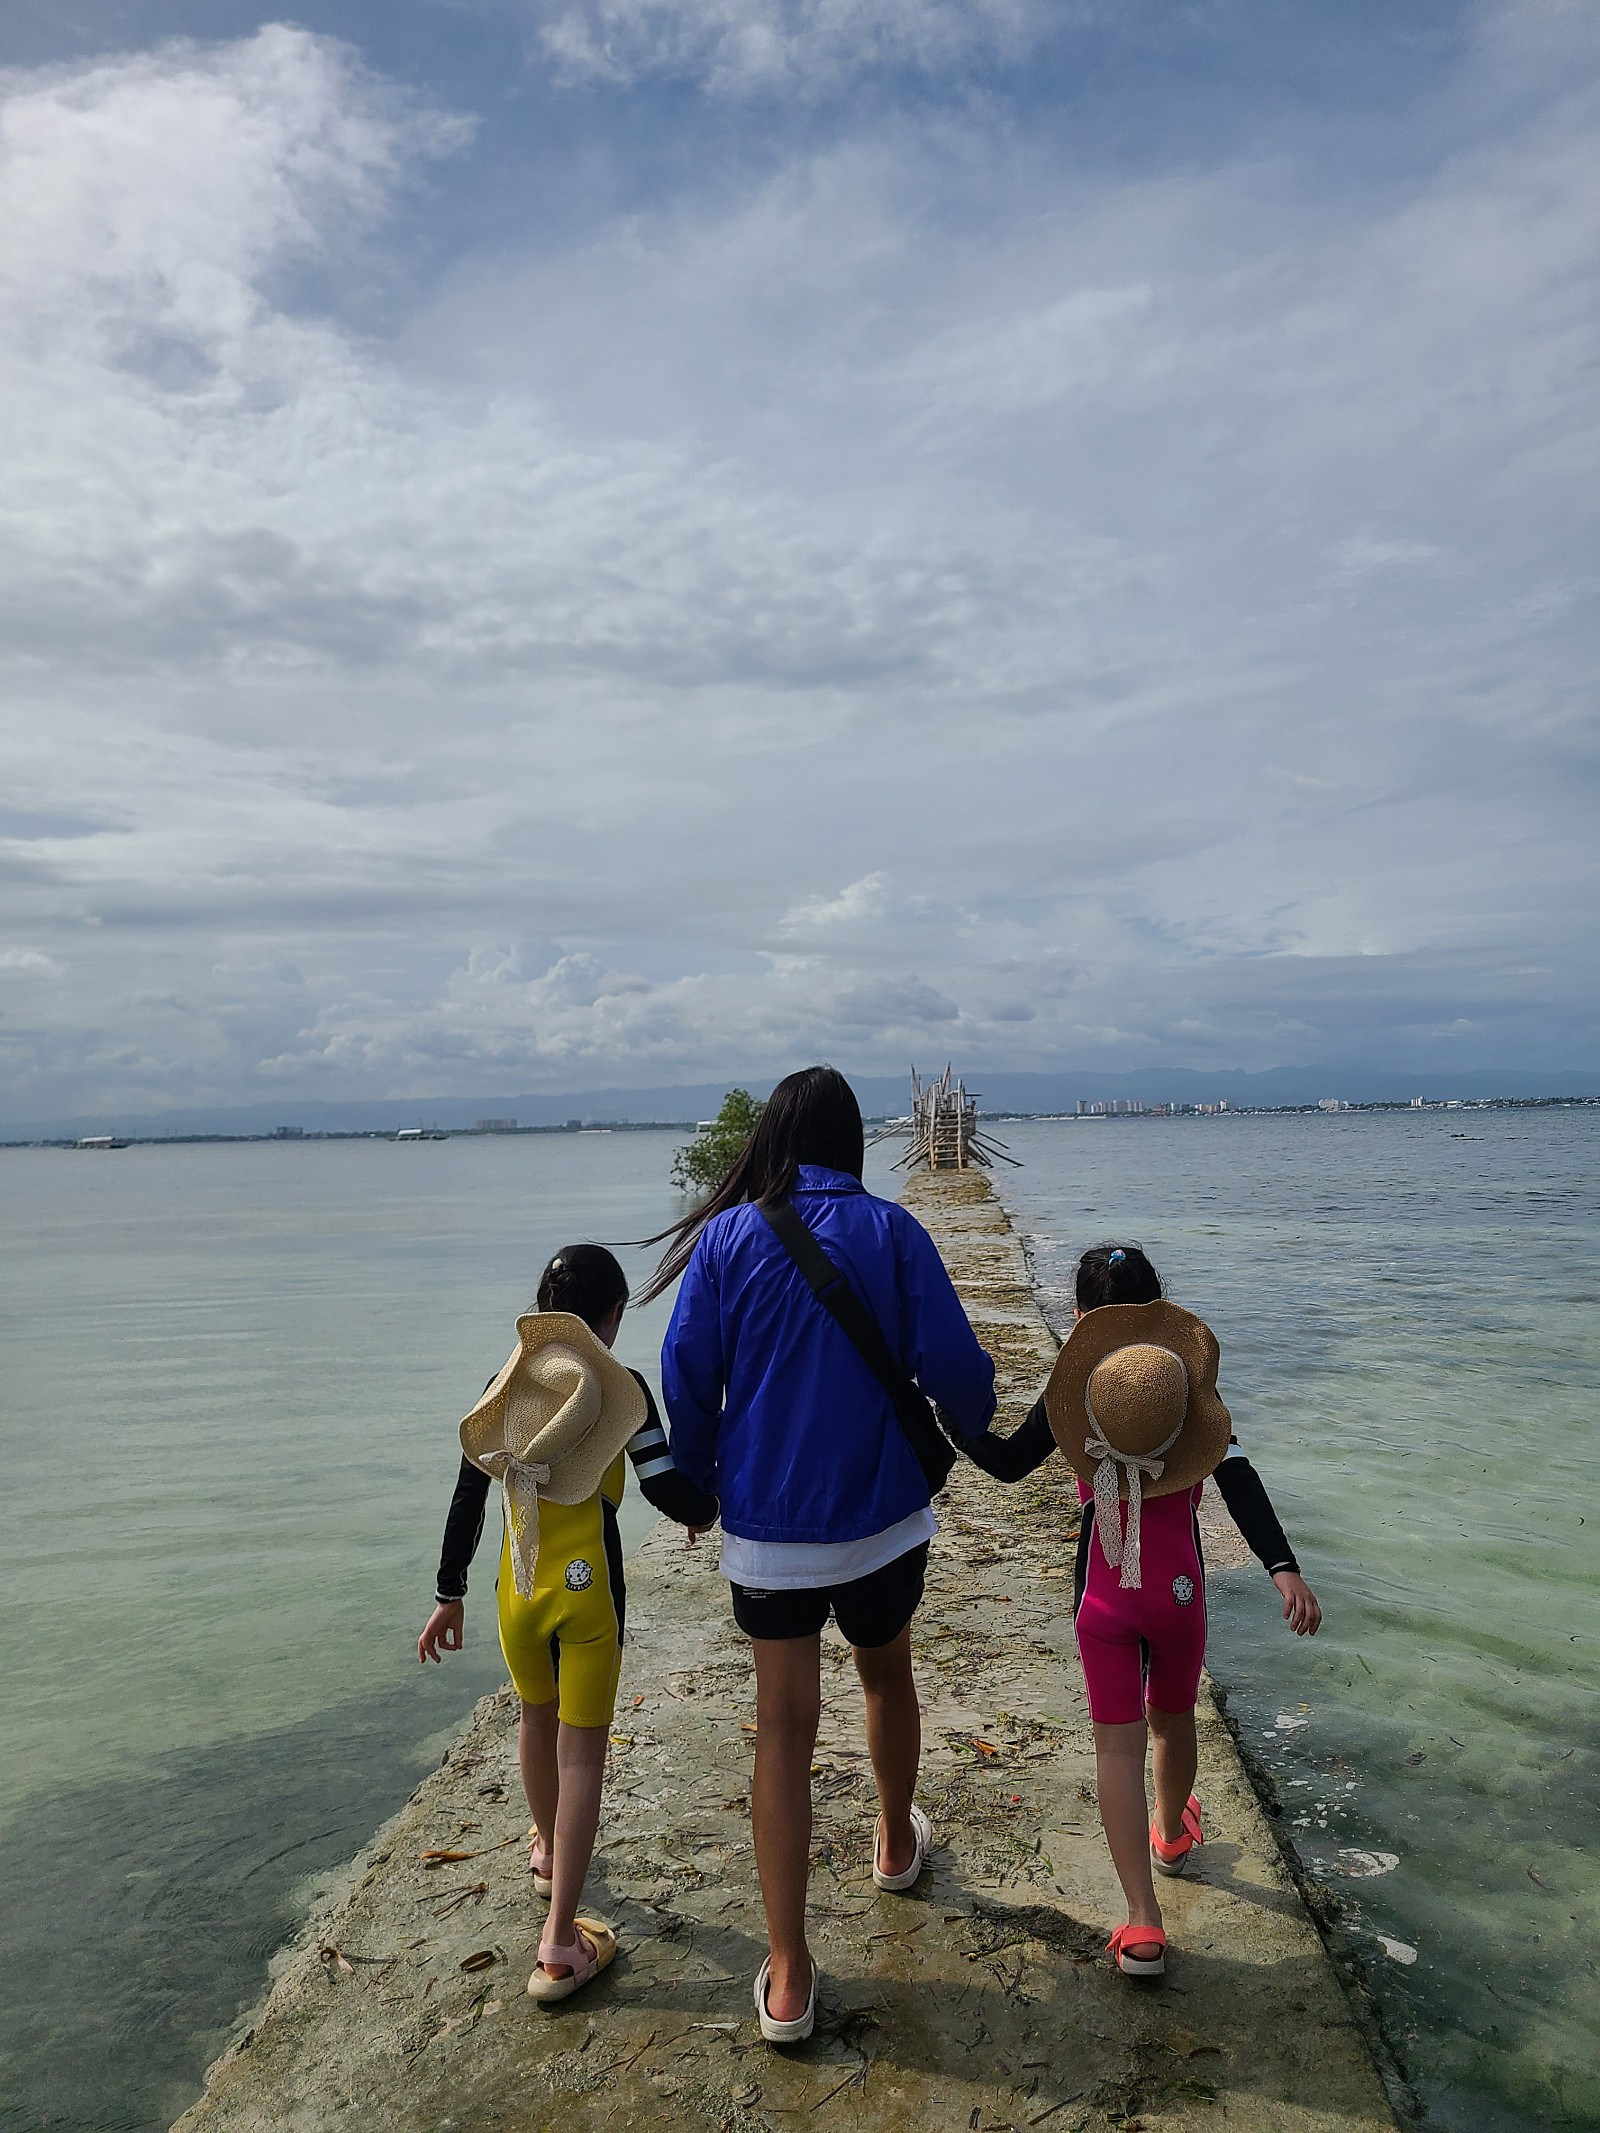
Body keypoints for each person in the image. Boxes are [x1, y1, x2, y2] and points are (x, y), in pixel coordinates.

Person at [646, 1066, 997, 2043]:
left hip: (768, 1536)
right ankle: (892, 1841)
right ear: (851, 1141)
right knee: (887, 1677)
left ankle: (791, 1975)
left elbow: (688, 1377)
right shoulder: (893, 1230)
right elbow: (959, 1369)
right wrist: (980, 1421)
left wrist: (707, 1482)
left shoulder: (723, 1239)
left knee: (783, 1734)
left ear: (773, 1140)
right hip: (882, 1520)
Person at [965, 1243, 1321, 1979]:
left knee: (1118, 1749)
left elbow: (1004, 1461)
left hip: (1102, 1593)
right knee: (1175, 1717)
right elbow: (1241, 1478)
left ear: (1079, 1319)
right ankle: (1171, 1832)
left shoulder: (1079, 1399)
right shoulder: (1185, 1393)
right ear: (1162, 1309)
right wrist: (1283, 1567)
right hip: (1180, 1592)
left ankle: (1142, 1921)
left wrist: (942, 1411)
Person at [417, 1244, 717, 2004]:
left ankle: (548, 1846)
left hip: (515, 1593)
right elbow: (664, 1483)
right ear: (611, 1319)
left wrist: (447, 1595)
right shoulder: (621, 1393)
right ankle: (559, 1943)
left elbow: (467, 1498)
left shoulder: (502, 1388)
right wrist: (707, 1510)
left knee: (533, 1717)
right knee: (581, 1752)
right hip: (588, 1596)